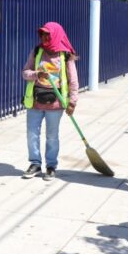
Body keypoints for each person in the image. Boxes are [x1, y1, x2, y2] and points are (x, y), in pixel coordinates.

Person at [21, 22, 79, 181]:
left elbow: (73, 81)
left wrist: (72, 102)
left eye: (48, 34)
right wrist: (36, 75)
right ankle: (35, 163)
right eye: (42, 34)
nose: (44, 37)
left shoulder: (65, 55)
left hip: (56, 104)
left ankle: (51, 166)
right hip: (35, 101)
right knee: (32, 134)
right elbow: (25, 72)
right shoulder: (37, 50)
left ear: (56, 35)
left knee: (52, 136)